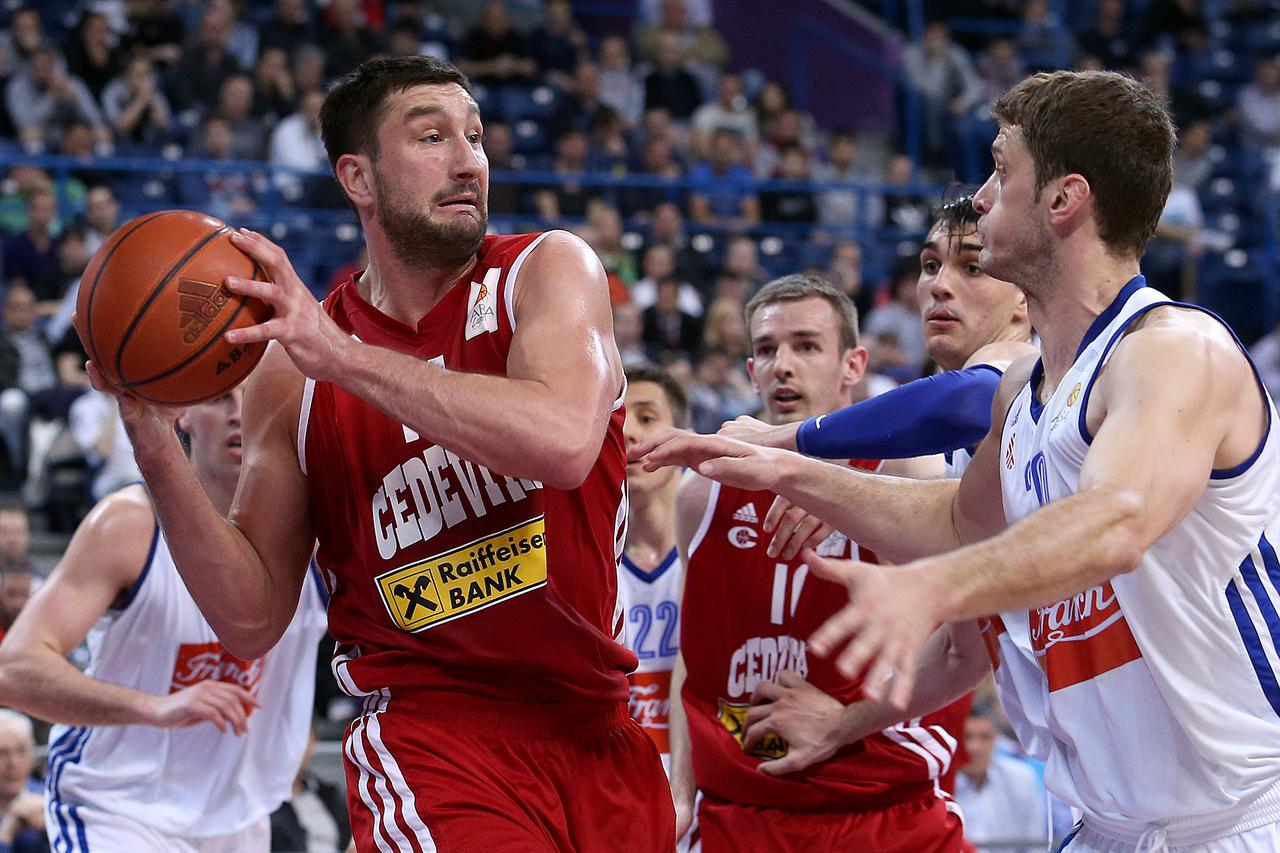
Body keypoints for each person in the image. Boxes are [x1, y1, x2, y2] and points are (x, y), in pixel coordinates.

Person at [638, 69, 1280, 850]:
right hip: (1106, 821)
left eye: (1000, 171)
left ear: (1063, 201)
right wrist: (785, 469)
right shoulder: (1024, 392)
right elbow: (953, 519)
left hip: (1241, 814)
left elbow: (1116, 519)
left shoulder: (1173, 350)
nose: (979, 196)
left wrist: (923, 588)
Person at [88, 55, 673, 852]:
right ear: (357, 178)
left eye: (474, 136)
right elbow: (252, 616)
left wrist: (347, 358)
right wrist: (152, 439)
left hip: (600, 730)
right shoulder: (289, 375)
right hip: (434, 738)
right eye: (431, 137)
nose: (468, 158)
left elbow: (564, 442)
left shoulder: (545, 271)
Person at [669, 273, 967, 852]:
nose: (782, 365)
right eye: (765, 350)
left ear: (853, 364)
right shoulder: (701, 495)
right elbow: (694, 660)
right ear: (750, 371)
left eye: (806, 346)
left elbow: (967, 643)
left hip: (886, 812)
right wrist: (682, 789)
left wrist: (844, 721)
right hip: (742, 814)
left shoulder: (905, 473)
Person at [0, 388, 328, 851]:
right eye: (218, 398)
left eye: (252, 395)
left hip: (239, 817)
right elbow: (14, 669)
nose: (238, 413)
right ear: (185, 413)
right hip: (117, 809)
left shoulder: (314, 535)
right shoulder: (130, 525)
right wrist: (151, 707)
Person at [954, 703, 1050, 853]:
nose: (975, 747)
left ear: (996, 740)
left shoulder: (1022, 780)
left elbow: (1035, 847)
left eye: (984, 738)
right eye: (967, 737)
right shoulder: (939, 785)